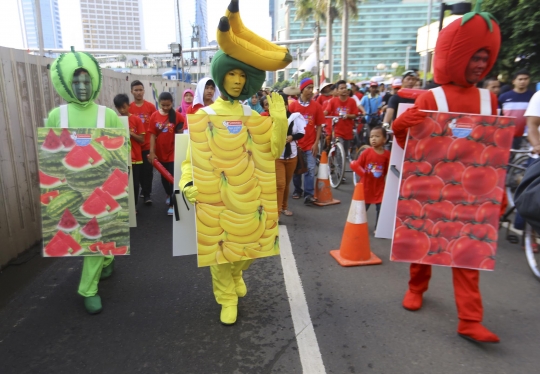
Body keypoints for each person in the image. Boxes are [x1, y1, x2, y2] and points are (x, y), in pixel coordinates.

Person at [392, 3, 502, 343]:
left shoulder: (489, 101)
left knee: (469, 254)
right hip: (430, 185)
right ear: (458, 56)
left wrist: (500, 189)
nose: (480, 65)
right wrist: (400, 124)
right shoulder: (431, 96)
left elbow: (495, 149)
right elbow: (406, 144)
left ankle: (470, 320)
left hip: (473, 191)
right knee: (423, 244)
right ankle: (416, 288)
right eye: (474, 58)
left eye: (485, 59)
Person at [180, 48, 288, 325]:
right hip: (213, 195)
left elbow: (272, 152)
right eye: (232, 73)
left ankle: (237, 272)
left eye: (242, 75)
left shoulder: (251, 114)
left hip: (247, 191)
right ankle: (226, 298)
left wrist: (279, 122)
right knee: (218, 252)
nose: (238, 80)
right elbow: (189, 158)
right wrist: (188, 183)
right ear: (220, 77)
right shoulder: (203, 116)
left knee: (250, 245)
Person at [46, 48, 125, 314]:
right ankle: (103, 264)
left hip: (103, 188)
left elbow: (118, 155)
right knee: (89, 239)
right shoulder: (58, 116)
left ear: (94, 82)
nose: (81, 86)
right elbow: (52, 156)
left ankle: (88, 288)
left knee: (96, 237)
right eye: (76, 81)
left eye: (86, 80)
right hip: (71, 188)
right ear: (67, 84)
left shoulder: (108, 115)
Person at [289, 78, 326, 204]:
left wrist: (316, 143)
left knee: (310, 169)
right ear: (302, 89)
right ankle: (297, 190)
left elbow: (320, 125)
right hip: (296, 143)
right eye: (308, 88)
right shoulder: (293, 106)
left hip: (310, 144)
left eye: (312, 88)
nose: (311, 90)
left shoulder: (316, 106)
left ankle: (308, 194)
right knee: (297, 169)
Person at [148, 92, 185, 216]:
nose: (165, 107)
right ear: (159, 103)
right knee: (164, 179)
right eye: (163, 105)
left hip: (173, 152)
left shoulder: (178, 116)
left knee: (172, 178)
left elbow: (182, 132)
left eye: (168, 105)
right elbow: (152, 135)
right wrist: (152, 152)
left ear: (172, 103)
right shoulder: (154, 116)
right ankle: (169, 194)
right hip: (160, 153)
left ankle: (172, 204)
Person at [275, 94, 306, 216]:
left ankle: (284, 207)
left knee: (287, 184)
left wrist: (292, 137)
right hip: (278, 156)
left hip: (292, 156)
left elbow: (301, 132)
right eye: (280, 105)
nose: (283, 107)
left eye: (284, 105)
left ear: (287, 105)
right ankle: (277, 212)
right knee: (280, 184)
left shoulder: (295, 117)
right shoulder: (272, 119)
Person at [114, 94, 145, 206]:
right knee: (122, 183)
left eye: (124, 107)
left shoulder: (136, 119)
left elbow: (142, 139)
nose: (121, 110)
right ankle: (124, 206)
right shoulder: (116, 120)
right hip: (121, 156)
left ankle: (134, 206)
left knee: (135, 184)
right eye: (118, 108)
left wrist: (130, 133)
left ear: (128, 105)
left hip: (136, 157)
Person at [356, 126, 390, 230]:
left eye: (377, 136)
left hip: (379, 187)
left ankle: (378, 228)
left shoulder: (387, 155)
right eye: (371, 137)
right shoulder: (366, 152)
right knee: (362, 208)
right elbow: (357, 165)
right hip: (366, 186)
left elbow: (386, 171)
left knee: (380, 208)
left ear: (384, 139)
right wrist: (363, 174)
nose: (373, 139)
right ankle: (356, 224)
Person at [129, 80, 157, 205]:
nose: (139, 92)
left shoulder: (150, 107)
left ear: (144, 91)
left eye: (140, 90)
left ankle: (147, 194)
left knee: (148, 171)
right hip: (134, 147)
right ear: (132, 92)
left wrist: (153, 147)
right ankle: (141, 190)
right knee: (137, 173)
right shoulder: (128, 107)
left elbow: (154, 127)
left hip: (147, 145)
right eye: (136, 90)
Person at [324, 80, 360, 164]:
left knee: (345, 152)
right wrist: (320, 114)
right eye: (341, 88)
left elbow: (355, 115)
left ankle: (339, 167)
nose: (344, 90)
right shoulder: (333, 101)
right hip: (337, 132)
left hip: (348, 132)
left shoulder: (352, 101)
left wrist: (348, 116)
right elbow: (327, 111)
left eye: (345, 88)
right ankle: (340, 172)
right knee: (339, 152)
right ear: (337, 90)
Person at [499, 69, 534, 149]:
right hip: (507, 134)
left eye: (526, 79)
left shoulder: (533, 97)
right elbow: (499, 116)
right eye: (520, 79)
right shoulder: (503, 97)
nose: (523, 81)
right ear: (513, 81)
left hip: (527, 136)